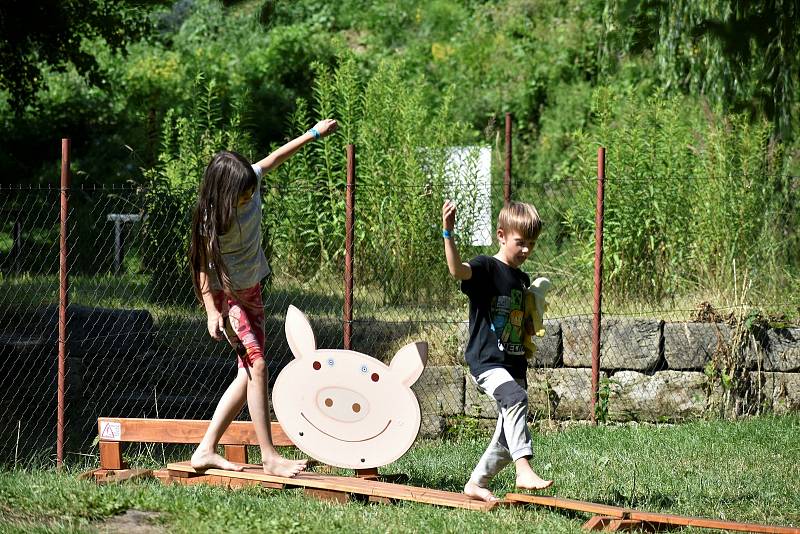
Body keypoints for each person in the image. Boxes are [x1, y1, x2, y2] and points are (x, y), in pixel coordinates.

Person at [188, 119, 337, 477]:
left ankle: (205, 449)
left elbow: (275, 157)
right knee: (257, 366)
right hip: (230, 300)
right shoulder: (212, 220)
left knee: (247, 374)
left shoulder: (249, 181)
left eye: (249, 189)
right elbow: (202, 268)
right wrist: (212, 311)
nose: (249, 195)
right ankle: (270, 457)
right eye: (242, 194)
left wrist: (314, 133)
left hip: (252, 293)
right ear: (225, 193)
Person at [442, 198, 553, 502]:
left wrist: (531, 325)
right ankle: (524, 470)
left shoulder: (521, 279)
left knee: (507, 437)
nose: (527, 249)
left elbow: (520, 321)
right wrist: (448, 233)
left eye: (532, 243)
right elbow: (456, 271)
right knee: (515, 398)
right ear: (501, 235)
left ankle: (476, 484)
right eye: (521, 242)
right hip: (487, 361)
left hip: (514, 363)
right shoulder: (486, 267)